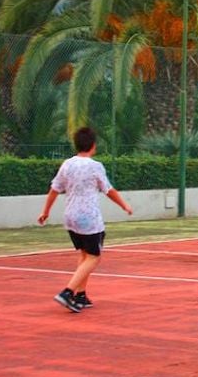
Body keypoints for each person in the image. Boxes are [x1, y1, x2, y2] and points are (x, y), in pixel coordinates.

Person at [38, 126, 133, 312]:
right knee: (94, 257)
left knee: (84, 255)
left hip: (70, 217)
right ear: (93, 145)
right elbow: (108, 190)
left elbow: (54, 189)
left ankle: (80, 295)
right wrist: (124, 205)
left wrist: (46, 211)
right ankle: (67, 292)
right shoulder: (95, 166)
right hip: (88, 218)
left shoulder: (67, 164)